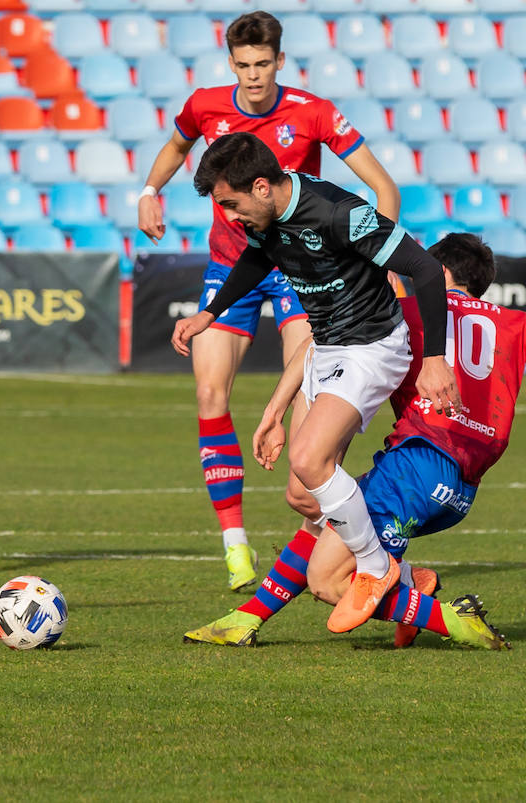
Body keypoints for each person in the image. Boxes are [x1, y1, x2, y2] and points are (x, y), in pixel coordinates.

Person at [185, 233, 526, 649]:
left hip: (417, 465)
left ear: (434, 274)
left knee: (327, 579)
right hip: (461, 488)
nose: (404, 275)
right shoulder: (515, 323)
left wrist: (274, 411)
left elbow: (321, 342)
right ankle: (248, 619)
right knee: (329, 512)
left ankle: (443, 615)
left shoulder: (407, 313)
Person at [138, 10, 400, 591]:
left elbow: (383, 187)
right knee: (209, 390)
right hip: (231, 267)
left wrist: (367, 259)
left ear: (280, 61)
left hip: (296, 272)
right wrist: (150, 191)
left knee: (304, 441)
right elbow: (174, 147)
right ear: (229, 63)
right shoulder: (205, 104)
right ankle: (236, 544)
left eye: (263, 64)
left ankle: (336, 537)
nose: (253, 76)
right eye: (242, 65)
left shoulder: (313, 112)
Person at [171, 132, 461, 635]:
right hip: (326, 348)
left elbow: (426, 270)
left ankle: (375, 568)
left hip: (373, 347)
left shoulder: (337, 211)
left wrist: (434, 360)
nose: (229, 217)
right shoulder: (264, 221)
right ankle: (413, 582)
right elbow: (257, 259)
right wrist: (209, 315)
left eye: (231, 205)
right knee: (304, 495)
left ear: (262, 187)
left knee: (310, 460)